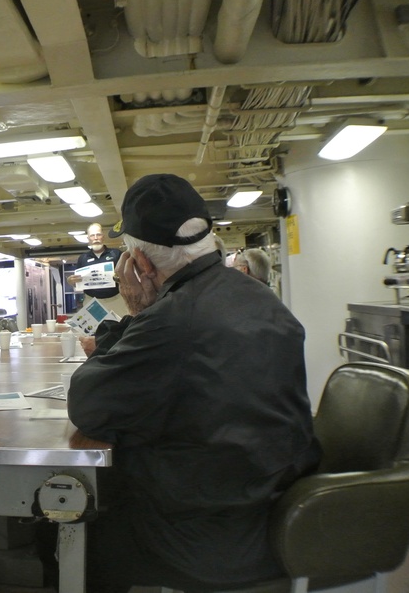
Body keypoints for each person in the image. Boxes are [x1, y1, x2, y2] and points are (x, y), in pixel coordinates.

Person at [65, 173, 320, 592]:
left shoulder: (173, 319)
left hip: (209, 536)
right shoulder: (262, 298)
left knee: (77, 527)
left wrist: (137, 312)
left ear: (141, 265)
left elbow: (88, 405)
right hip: (270, 505)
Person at [67, 222, 126, 317]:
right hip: (91, 302)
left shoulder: (116, 254)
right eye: (92, 235)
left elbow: (126, 275)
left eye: (98, 234)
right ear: (88, 239)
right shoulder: (83, 258)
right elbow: (78, 281)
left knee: (120, 329)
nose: (95, 238)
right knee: (94, 330)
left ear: (103, 236)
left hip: (116, 300)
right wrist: (71, 281)